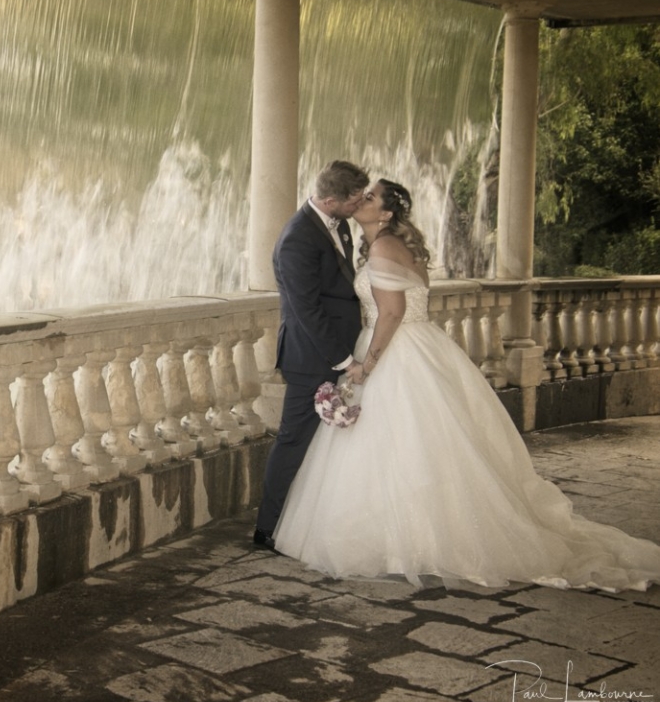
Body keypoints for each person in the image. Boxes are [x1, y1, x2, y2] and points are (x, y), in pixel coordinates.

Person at [272, 179, 660, 591]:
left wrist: (366, 367)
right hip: (414, 347)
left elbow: (391, 313)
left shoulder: (384, 247)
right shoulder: (381, 244)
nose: (361, 200)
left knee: (404, 442)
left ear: (385, 213)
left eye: (369, 197)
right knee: (417, 443)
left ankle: (406, 539)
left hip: (394, 349)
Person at [253, 160, 369, 551]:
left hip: (340, 352)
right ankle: (266, 528)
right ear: (332, 199)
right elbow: (307, 312)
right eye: (354, 201)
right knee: (293, 440)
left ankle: (314, 519)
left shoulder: (342, 225)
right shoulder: (297, 239)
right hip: (311, 358)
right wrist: (345, 361)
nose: (359, 207)